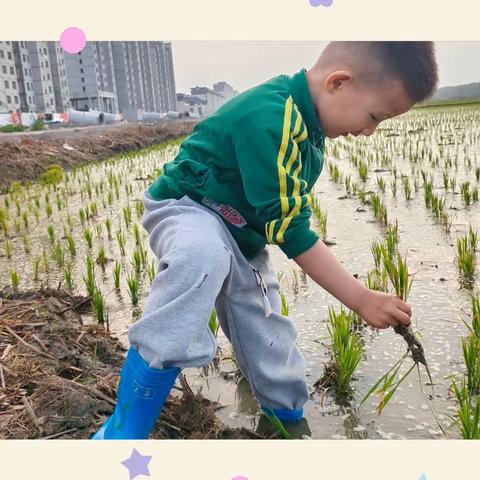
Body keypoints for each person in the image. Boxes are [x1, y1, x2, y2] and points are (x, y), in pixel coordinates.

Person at [91, 41, 439, 440]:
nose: (368, 131)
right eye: (374, 116)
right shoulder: (272, 119)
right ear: (339, 83)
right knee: (201, 257)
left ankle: (288, 422)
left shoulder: (309, 133)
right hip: (190, 207)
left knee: (266, 327)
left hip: (241, 234)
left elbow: (284, 215)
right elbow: (291, 231)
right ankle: (123, 431)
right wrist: (360, 298)